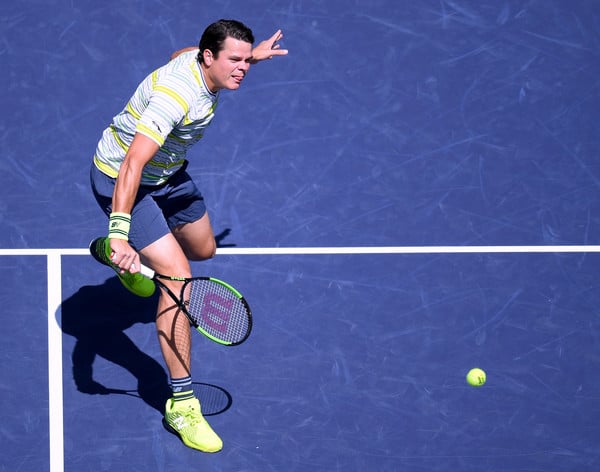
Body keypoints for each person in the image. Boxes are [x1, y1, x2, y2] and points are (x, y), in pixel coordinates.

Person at [89, 19, 288, 452]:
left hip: (170, 175)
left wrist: (248, 55)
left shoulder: (194, 61)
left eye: (245, 59)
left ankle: (138, 260)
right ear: (209, 58)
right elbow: (132, 165)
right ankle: (181, 403)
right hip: (126, 179)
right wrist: (120, 233)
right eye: (234, 60)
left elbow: (183, 52)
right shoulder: (175, 99)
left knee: (204, 250)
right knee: (178, 278)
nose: (243, 69)